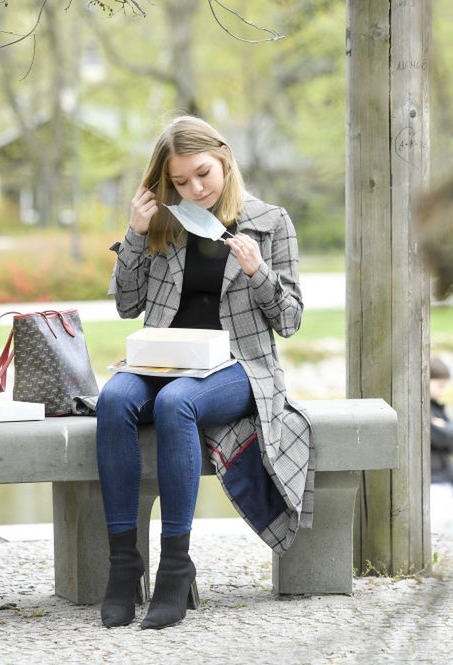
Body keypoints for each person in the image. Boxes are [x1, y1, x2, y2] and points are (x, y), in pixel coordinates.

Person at [96, 116, 313, 630]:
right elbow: (128, 306)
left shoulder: (270, 222)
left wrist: (259, 272)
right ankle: (124, 566)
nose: (195, 189)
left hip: (240, 366)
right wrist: (135, 233)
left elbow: (290, 321)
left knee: (177, 403)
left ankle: (175, 566)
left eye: (203, 174)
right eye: (181, 181)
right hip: (163, 358)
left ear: (224, 157)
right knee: (113, 400)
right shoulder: (168, 224)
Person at [429, 356, 453, 526]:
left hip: (441, 481)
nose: (443, 391)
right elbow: (449, 438)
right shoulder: (424, 412)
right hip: (433, 485)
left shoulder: (437, 409)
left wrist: (443, 427)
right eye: (440, 386)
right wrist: (441, 428)